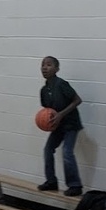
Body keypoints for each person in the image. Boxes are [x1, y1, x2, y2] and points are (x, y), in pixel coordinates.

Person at [38, 55, 83, 197]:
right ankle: (51, 181)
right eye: (43, 65)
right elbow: (48, 111)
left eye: (49, 65)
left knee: (67, 152)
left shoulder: (62, 84)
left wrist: (61, 114)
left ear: (57, 69)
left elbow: (77, 100)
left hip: (70, 124)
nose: (45, 67)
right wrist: (47, 121)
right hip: (58, 125)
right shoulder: (44, 90)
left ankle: (75, 186)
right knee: (47, 149)